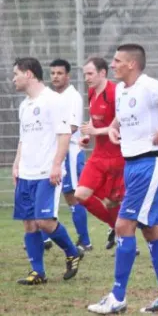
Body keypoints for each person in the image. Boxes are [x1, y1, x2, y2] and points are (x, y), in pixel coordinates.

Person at [88, 44, 158, 314]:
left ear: (132, 64)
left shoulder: (149, 86)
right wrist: (113, 128)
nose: (113, 65)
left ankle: (117, 298)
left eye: (117, 61)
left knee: (124, 226)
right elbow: (123, 116)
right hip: (133, 166)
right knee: (150, 229)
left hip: (149, 165)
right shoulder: (123, 91)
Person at [12, 57, 84, 285]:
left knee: (44, 221)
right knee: (29, 223)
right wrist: (16, 164)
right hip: (26, 173)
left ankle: (72, 252)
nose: (13, 79)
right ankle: (38, 272)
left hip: (46, 172)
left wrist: (56, 165)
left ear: (29, 74)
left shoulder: (53, 100)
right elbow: (23, 139)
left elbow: (65, 134)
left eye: (16, 74)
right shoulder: (24, 105)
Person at [75, 56, 125, 251]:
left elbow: (121, 123)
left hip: (117, 156)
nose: (86, 77)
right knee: (81, 194)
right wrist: (89, 135)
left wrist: (96, 131)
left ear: (103, 73)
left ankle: (123, 236)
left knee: (112, 202)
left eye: (90, 73)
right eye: (84, 74)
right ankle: (117, 228)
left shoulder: (115, 92)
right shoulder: (92, 92)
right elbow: (95, 120)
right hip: (98, 156)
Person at [44, 59, 92, 251]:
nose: (55, 76)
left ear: (67, 76)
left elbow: (72, 127)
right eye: (53, 73)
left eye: (59, 73)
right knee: (47, 190)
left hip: (70, 150)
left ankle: (85, 240)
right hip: (54, 150)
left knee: (72, 195)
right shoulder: (51, 97)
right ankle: (44, 236)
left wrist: (54, 139)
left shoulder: (73, 97)